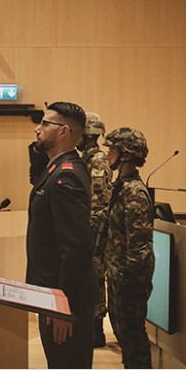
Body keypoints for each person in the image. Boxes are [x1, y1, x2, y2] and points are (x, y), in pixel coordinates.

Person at [26, 101, 97, 368]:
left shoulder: (65, 177)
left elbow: (77, 249)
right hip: (55, 295)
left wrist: (62, 306)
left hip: (64, 299)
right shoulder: (55, 168)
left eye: (45, 123)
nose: (37, 129)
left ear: (64, 131)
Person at [103, 127, 154, 369]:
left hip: (129, 279)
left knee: (133, 337)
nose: (108, 154)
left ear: (125, 154)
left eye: (112, 149)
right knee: (126, 336)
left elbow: (139, 244)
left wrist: (128, 283)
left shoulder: (134, 192)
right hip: (118, 275)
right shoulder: (121, 185)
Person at [77, 112, 113, 347]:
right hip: (89, 229)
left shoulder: (97, 160)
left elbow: (99, 202)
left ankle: (95, 330)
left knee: (95, 277)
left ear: (88, 135)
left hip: (94, 231)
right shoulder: (88, 157)